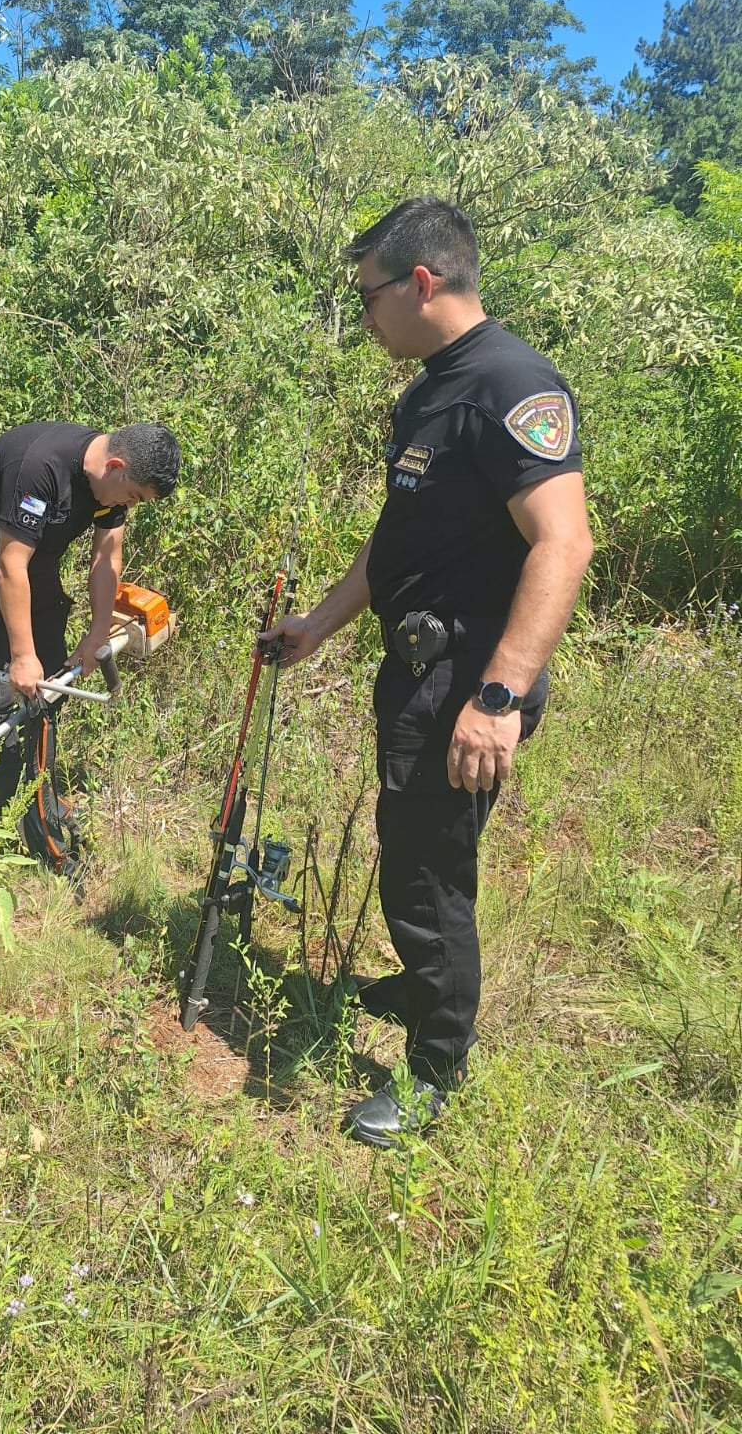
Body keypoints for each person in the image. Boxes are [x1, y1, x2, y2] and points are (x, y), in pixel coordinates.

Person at [265, 197, 593, 1148]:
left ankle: (434, 1068)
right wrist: (319, 625)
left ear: (422, 282)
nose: (364, 316)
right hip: (416, 669)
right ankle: (420, 983)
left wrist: (497, 697)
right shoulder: (426, 391)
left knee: (426, 874)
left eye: (369, 296)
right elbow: (400, 539)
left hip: (466, 682)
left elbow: (562, 545)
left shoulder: (510, 383)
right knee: (410, 841)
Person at [0, 420, 180, 816]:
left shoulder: (107, 486)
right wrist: (21, 655)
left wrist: (96, 634)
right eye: (133, 497)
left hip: (32, 563)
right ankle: (5, 814)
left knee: (52, 675)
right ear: (115, 466)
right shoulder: (39, 467)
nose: (127, 506)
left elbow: (107, 558)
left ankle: (36, 794)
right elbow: (8, 565)